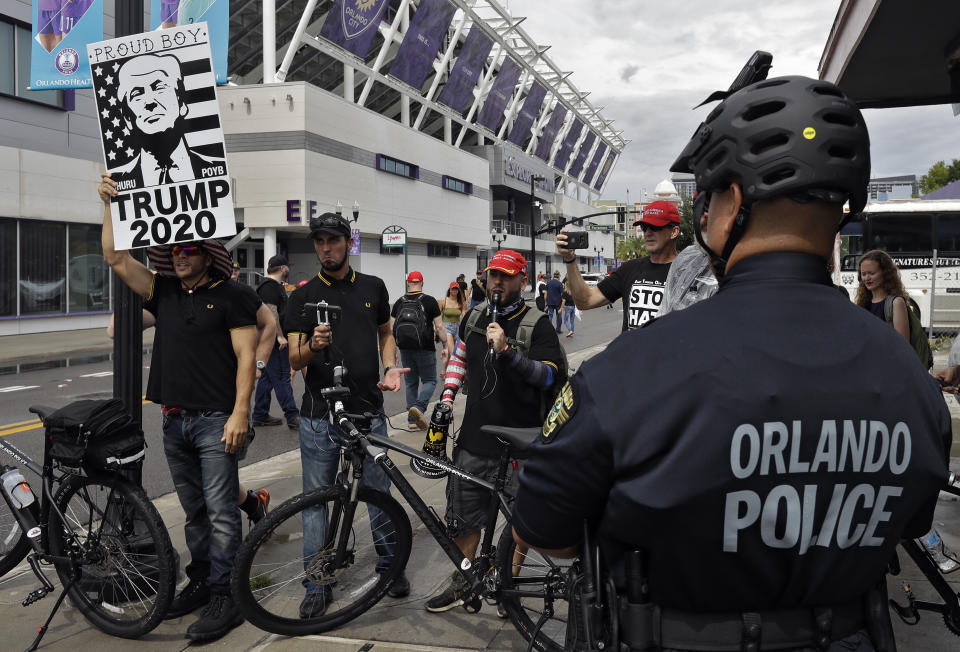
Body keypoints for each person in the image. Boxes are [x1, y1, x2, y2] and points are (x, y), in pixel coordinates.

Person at [513, 75, 952, 652]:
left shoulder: (637, 367)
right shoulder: (907, 374)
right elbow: (912, 523)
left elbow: (547, 529)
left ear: (732, 204)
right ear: (842, 211)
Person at [98, 173, 259, 642]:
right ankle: (204, 582)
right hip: (174, 420)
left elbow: (248, 356)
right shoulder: (162, 291)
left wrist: (240, 413)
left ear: (208, 254)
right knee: (195, 511)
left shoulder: (233, 297)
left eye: (188, 249)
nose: (180, 255)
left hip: (216, 421)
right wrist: (107, 203)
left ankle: (227, 595)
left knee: (222, 510)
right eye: (175, 250)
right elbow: (114, 256)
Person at [424, 249, 566, 614]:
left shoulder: (537, 323)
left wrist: (508, 353)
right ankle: (465, 581)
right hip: (475, 439)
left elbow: (551, 375)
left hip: (522, 444)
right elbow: (459, 357)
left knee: (521, 523)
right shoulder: (474, 316)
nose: (497, 282)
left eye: (506, 276)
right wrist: (447, 396)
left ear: (522, 279)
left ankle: (509, 585)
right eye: (492, 275)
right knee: (463, 518)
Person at [285, 212, 410, 617]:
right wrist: (314, 347)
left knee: (378, 494)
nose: (326, 248)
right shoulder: (302, 297)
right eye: (319, 242)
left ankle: (391, 565)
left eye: (333, 241)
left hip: (367, 412)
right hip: (320, 416)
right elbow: (293, 358)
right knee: (316, 500)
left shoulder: (373, 286)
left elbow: (385, 331)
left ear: (347, 242)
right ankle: (317, 581)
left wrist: (389, 366)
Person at [559, 200, 681, 331]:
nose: (648, 233)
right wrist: (569, 259)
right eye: (645, 227)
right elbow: (585, 301)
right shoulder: (629, 269)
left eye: (656, 227)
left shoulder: (687, 272)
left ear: (674, 232)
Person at [111, 54, 226, 189]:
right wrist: (108, 203)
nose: (149, 102)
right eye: (137, 94)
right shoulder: (117, 183)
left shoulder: (218, 171)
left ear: (181, 102)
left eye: (159, 88)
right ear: (127, 118)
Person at [391, 271, 450, 431]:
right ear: (422, 283)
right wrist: (445, 345)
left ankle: (411, 421)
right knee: (430, 381)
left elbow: (392, 329)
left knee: (410, 383)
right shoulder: (430, 301)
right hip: (425, 347)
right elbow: (439, 327)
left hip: (404, 348)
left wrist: (393, 352)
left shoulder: (399, 302)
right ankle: (419, 407)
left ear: (408, 284)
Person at [252, 255, 300, 430]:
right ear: (282, 268)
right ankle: (293, 415)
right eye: (287, 267)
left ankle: (260, 414)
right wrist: (279, 336)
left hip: (268, 340)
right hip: (273, 341)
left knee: (266, 378)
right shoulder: (270, 287)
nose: (288, 269)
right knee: (281, 376)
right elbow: (271, 312)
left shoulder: (270, 286)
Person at [855, 250, 910, 341]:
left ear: (885, 273)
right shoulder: (863, 302)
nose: (867, 278)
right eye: (863, 274)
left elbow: (903, 344)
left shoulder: (896, 303)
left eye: (872, 273)